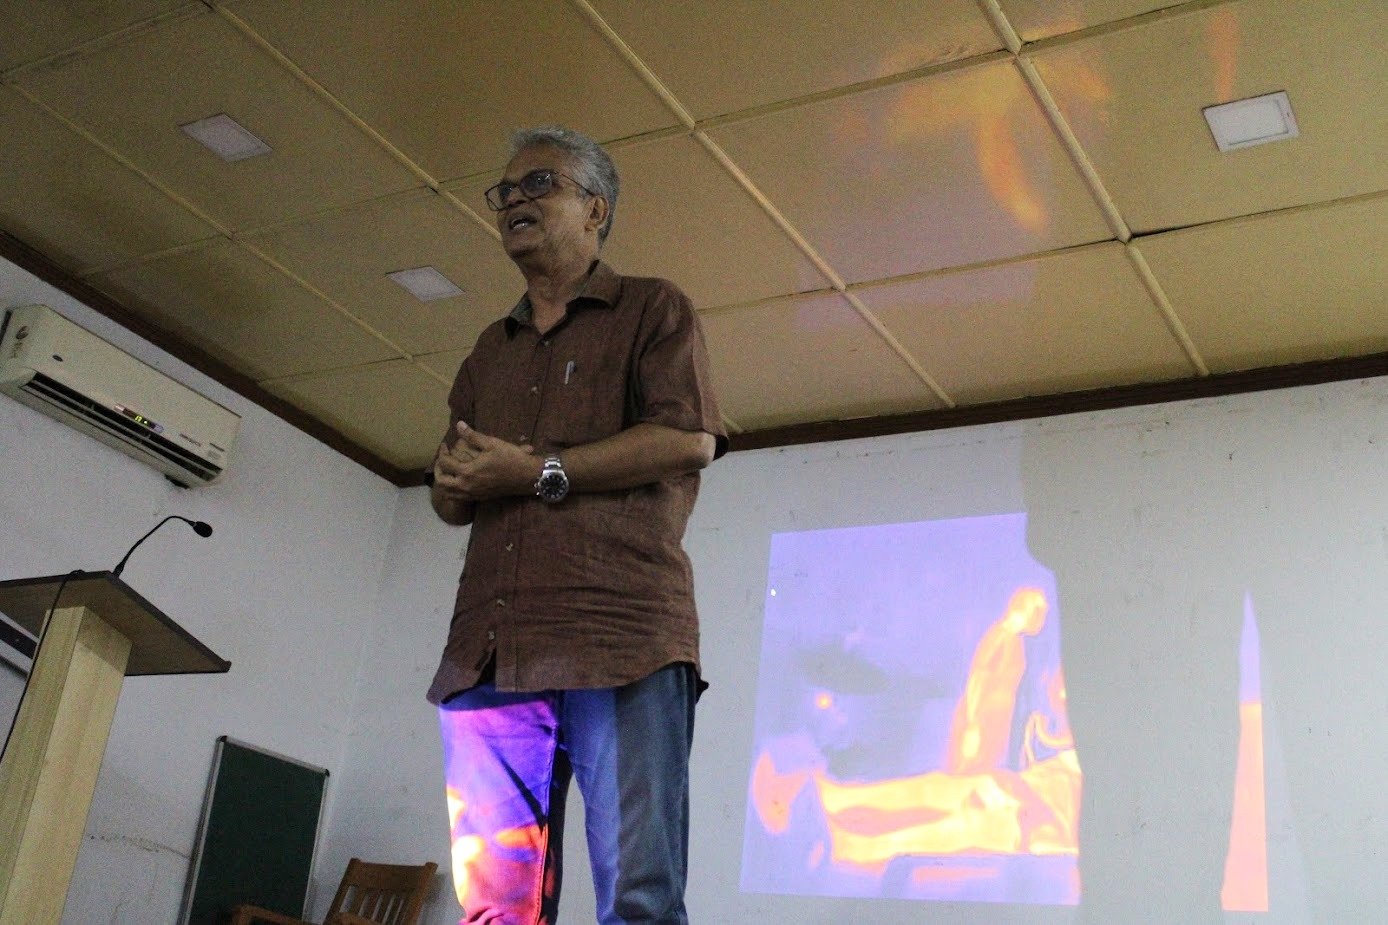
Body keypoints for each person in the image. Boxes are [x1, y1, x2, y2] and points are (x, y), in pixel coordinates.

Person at [426, 125, 725, 925]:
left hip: (620, 636)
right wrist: (453, 481)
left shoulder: (653, 308)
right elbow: (451, 495)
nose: (513, 201)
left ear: (596, 209)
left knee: (638, 897)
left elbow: (688, 439)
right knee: (494, 908)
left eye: (539, 184)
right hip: (489, 648)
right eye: (505, 191)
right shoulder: (489, 350)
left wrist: (535, 471)